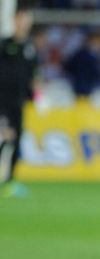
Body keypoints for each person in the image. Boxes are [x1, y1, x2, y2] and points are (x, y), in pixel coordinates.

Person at [0, 6, 36, 198]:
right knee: (6, 137)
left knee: (16, 139)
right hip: (3, 101)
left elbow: (32, 75)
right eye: (21, 19)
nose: (24, 23)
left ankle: (9, 181)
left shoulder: (29, 48)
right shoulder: (5, 45)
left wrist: (34, 95)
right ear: (14, 21)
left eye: (27, 19)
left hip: (19, 102)